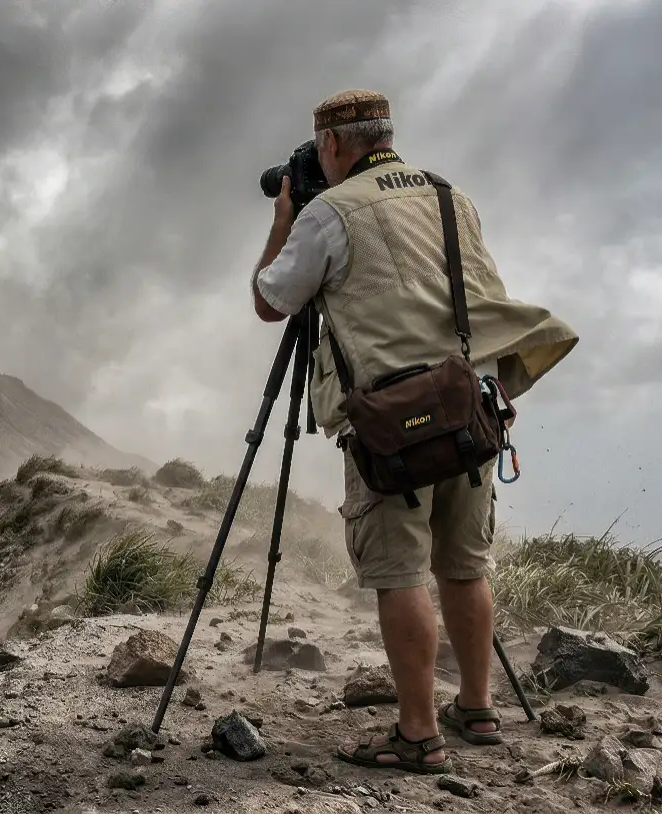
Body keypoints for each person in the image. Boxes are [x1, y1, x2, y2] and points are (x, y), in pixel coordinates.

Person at [249, 89, 578, 773]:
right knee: (464, 565)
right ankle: (478, 709)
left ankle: (418, 734)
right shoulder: (452, 198)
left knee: (401, 573)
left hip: (389, 426)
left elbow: (270, 299)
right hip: (468, 407)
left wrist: (285, 219)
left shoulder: (328, 213)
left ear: (334, 145)